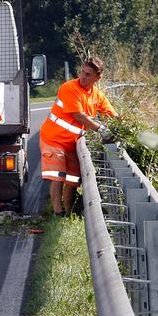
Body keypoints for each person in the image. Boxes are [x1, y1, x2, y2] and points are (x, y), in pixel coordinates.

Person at [39, 56, 117, 216]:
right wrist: (101, 129)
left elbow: (111, 114)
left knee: (74, 180)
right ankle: (58, 212)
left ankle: (68, 213)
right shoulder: (69, 88)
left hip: (72, 143)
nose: (83, 76)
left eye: (88, 74)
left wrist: (122, 126)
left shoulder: (97, 95)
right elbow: (78, 115)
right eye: (82, 72)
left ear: (98, 77)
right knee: (58, 175)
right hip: (53, 139)